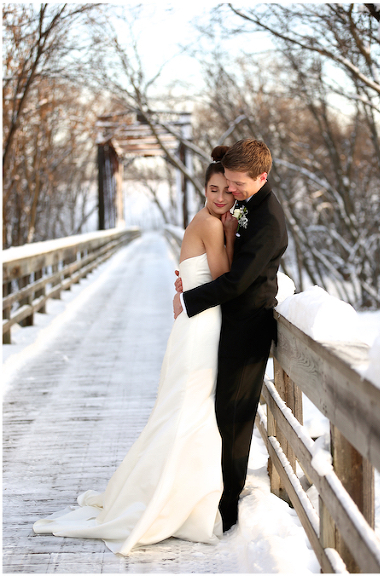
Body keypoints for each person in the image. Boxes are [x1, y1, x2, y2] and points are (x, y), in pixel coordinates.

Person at [33, 151, 236, 555]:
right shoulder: (211, 224)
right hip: (201, 327)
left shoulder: (204, 220)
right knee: (189, 411)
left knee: (184, 409)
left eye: (226, 191)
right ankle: (173, 498)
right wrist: (231, 233)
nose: (219, 197)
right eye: (213, 189)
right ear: (204, 189)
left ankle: (178, 491)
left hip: (195, 325)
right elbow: (224, 277)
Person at [173, 138, 288, 532]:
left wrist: (190, 298)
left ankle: (228, 506)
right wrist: (193, 275)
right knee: (221, 410)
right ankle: (212, 492)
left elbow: (238, 281)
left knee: (235, 417)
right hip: (228, 322)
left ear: (262, 177)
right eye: (227, 183)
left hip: (248, 328)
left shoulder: (268, 220)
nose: (231, 191)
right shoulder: (246, 205)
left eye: (238, 184)